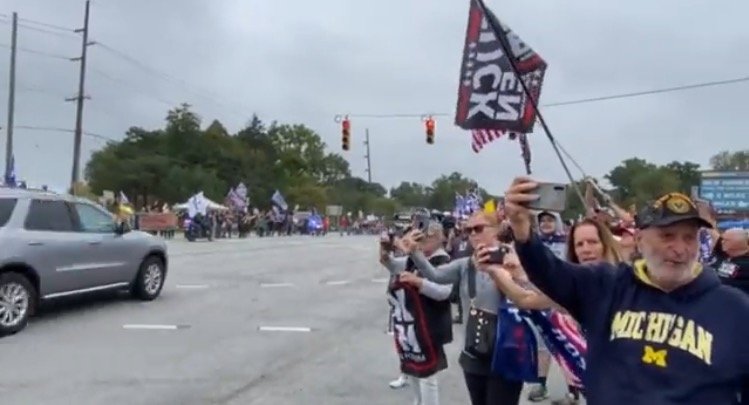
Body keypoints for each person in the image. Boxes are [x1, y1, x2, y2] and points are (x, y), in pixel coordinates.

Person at [504, 177, 749, 404]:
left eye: (689, 238)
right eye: (667, 236)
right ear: (640, 240)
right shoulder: (607, 285)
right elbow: (551, 273)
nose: (680, 248)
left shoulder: (734, 309)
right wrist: (522, 230)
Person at [401, 211, 524, 405]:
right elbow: (435, 275)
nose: (473, 234)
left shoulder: (513, 260)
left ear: (496, 230)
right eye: (468, 230)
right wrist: (415, 252)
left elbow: (531, 296)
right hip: (474, 351)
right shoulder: (465, 264)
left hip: (506, 351)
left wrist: (514, 272)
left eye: (479, 228)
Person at [380, 221, 453, 404]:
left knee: (428, 376)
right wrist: (384, 250)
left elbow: (444, 292)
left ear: (438, 238)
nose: (420, 243)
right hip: (410, 325)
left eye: (424, 238)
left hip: (430, 324)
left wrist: (418, 282)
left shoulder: (443, 260)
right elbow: (391, 265)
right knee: (413, 369)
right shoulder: (414, 258)